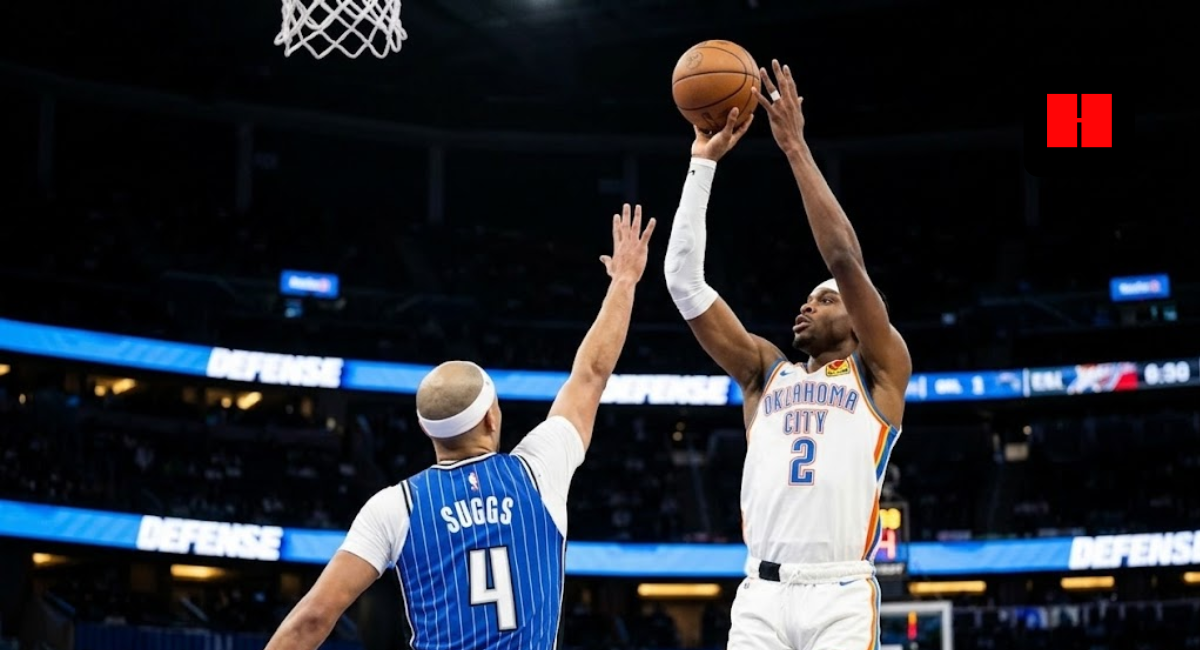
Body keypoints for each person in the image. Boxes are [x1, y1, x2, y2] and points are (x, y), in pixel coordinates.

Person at [264, 204, 657, 650]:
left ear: (427, 430)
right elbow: (590, 374)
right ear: (491, 417)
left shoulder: (395, 507)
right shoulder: (539, 471)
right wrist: (624, 281)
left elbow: (313, 618)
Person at [662, 60, 912, 650]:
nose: (808, 305)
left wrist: (795, 148)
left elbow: (844, 260)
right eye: (808, 299)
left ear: (860, 318)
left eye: (825, 300)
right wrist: (702, 164)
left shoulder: (879, 372)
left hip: (841, 594)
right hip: (761, 596)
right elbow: (683, 283)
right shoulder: (764, 373)